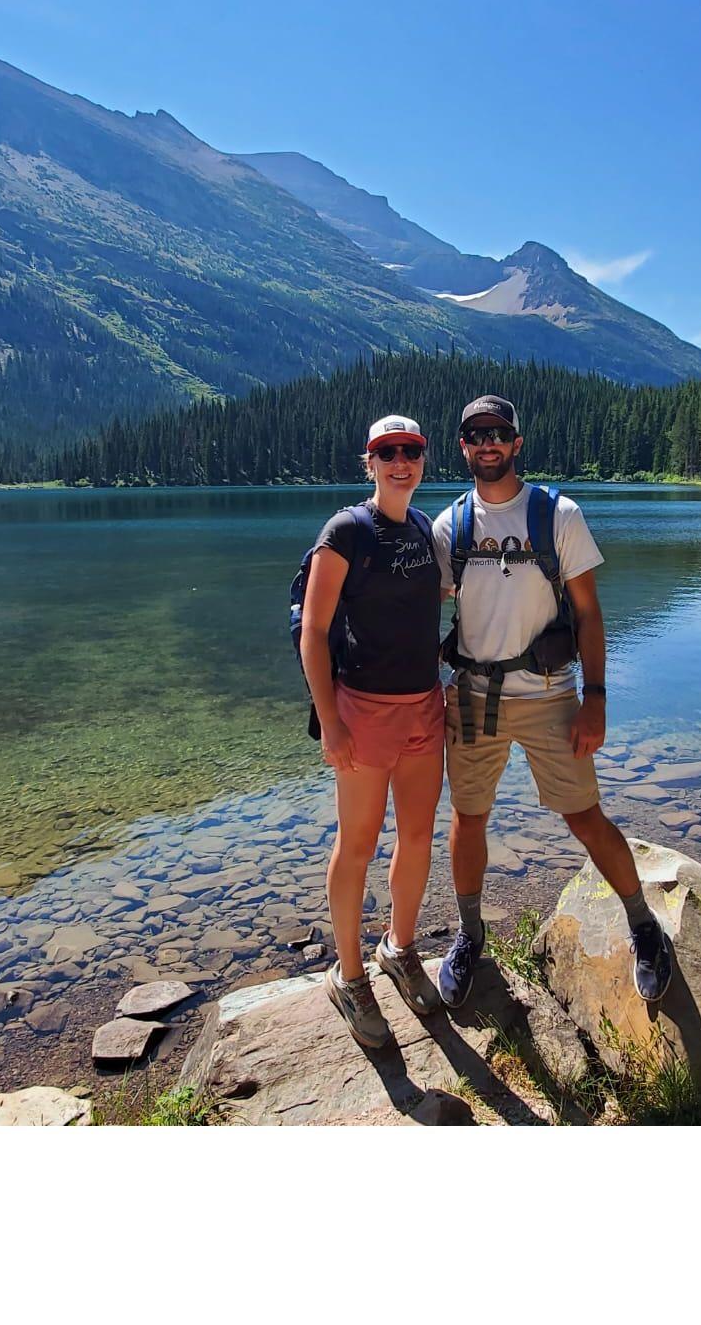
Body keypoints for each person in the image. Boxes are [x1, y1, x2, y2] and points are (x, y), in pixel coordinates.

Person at [432, 394, 674, 1009]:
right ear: (463, 446)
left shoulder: (557, 514)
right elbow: (418, 616)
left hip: (549, 696)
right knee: (469, 819)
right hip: (472, 698)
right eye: (474, 434)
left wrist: (596, 700)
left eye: (498, 433)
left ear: (516, 443)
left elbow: (590, 614)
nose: (487, 443)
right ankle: (469, 934)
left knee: (584, 816)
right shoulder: (448, 527)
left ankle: (643, 926)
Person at [298, 415, 446, 1048]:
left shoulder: (422, 528)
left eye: (410, 451)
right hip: (362, 710)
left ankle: (400, 946)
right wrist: (330, 719)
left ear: (422, 458)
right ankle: (350, 975)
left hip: (425, 709)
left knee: (416, 835)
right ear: (370, 462)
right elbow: (313, 630)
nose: (400, 462)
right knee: (356, 843)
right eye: (388, 452)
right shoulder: (346, 531)